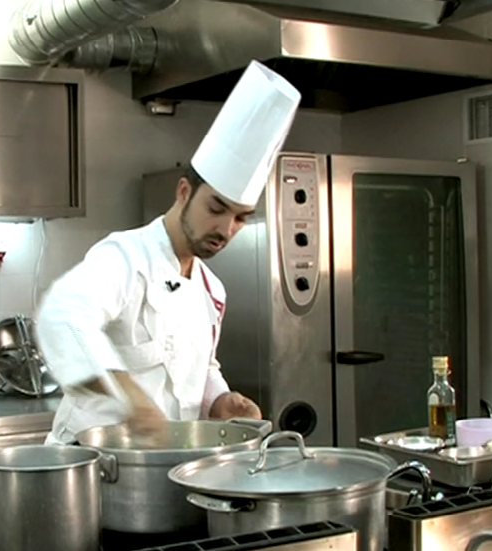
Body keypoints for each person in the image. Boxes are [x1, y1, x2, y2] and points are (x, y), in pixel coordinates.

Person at [34, 60, 302, 444]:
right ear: (183, 192)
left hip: (163, 462)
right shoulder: (124, 258)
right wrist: (127, 396)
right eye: (216, 208)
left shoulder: (212, 290)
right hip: (89, 460)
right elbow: (62, 317)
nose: (226, 229)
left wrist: (220, 400)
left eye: (241, 218)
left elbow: (198, 368)